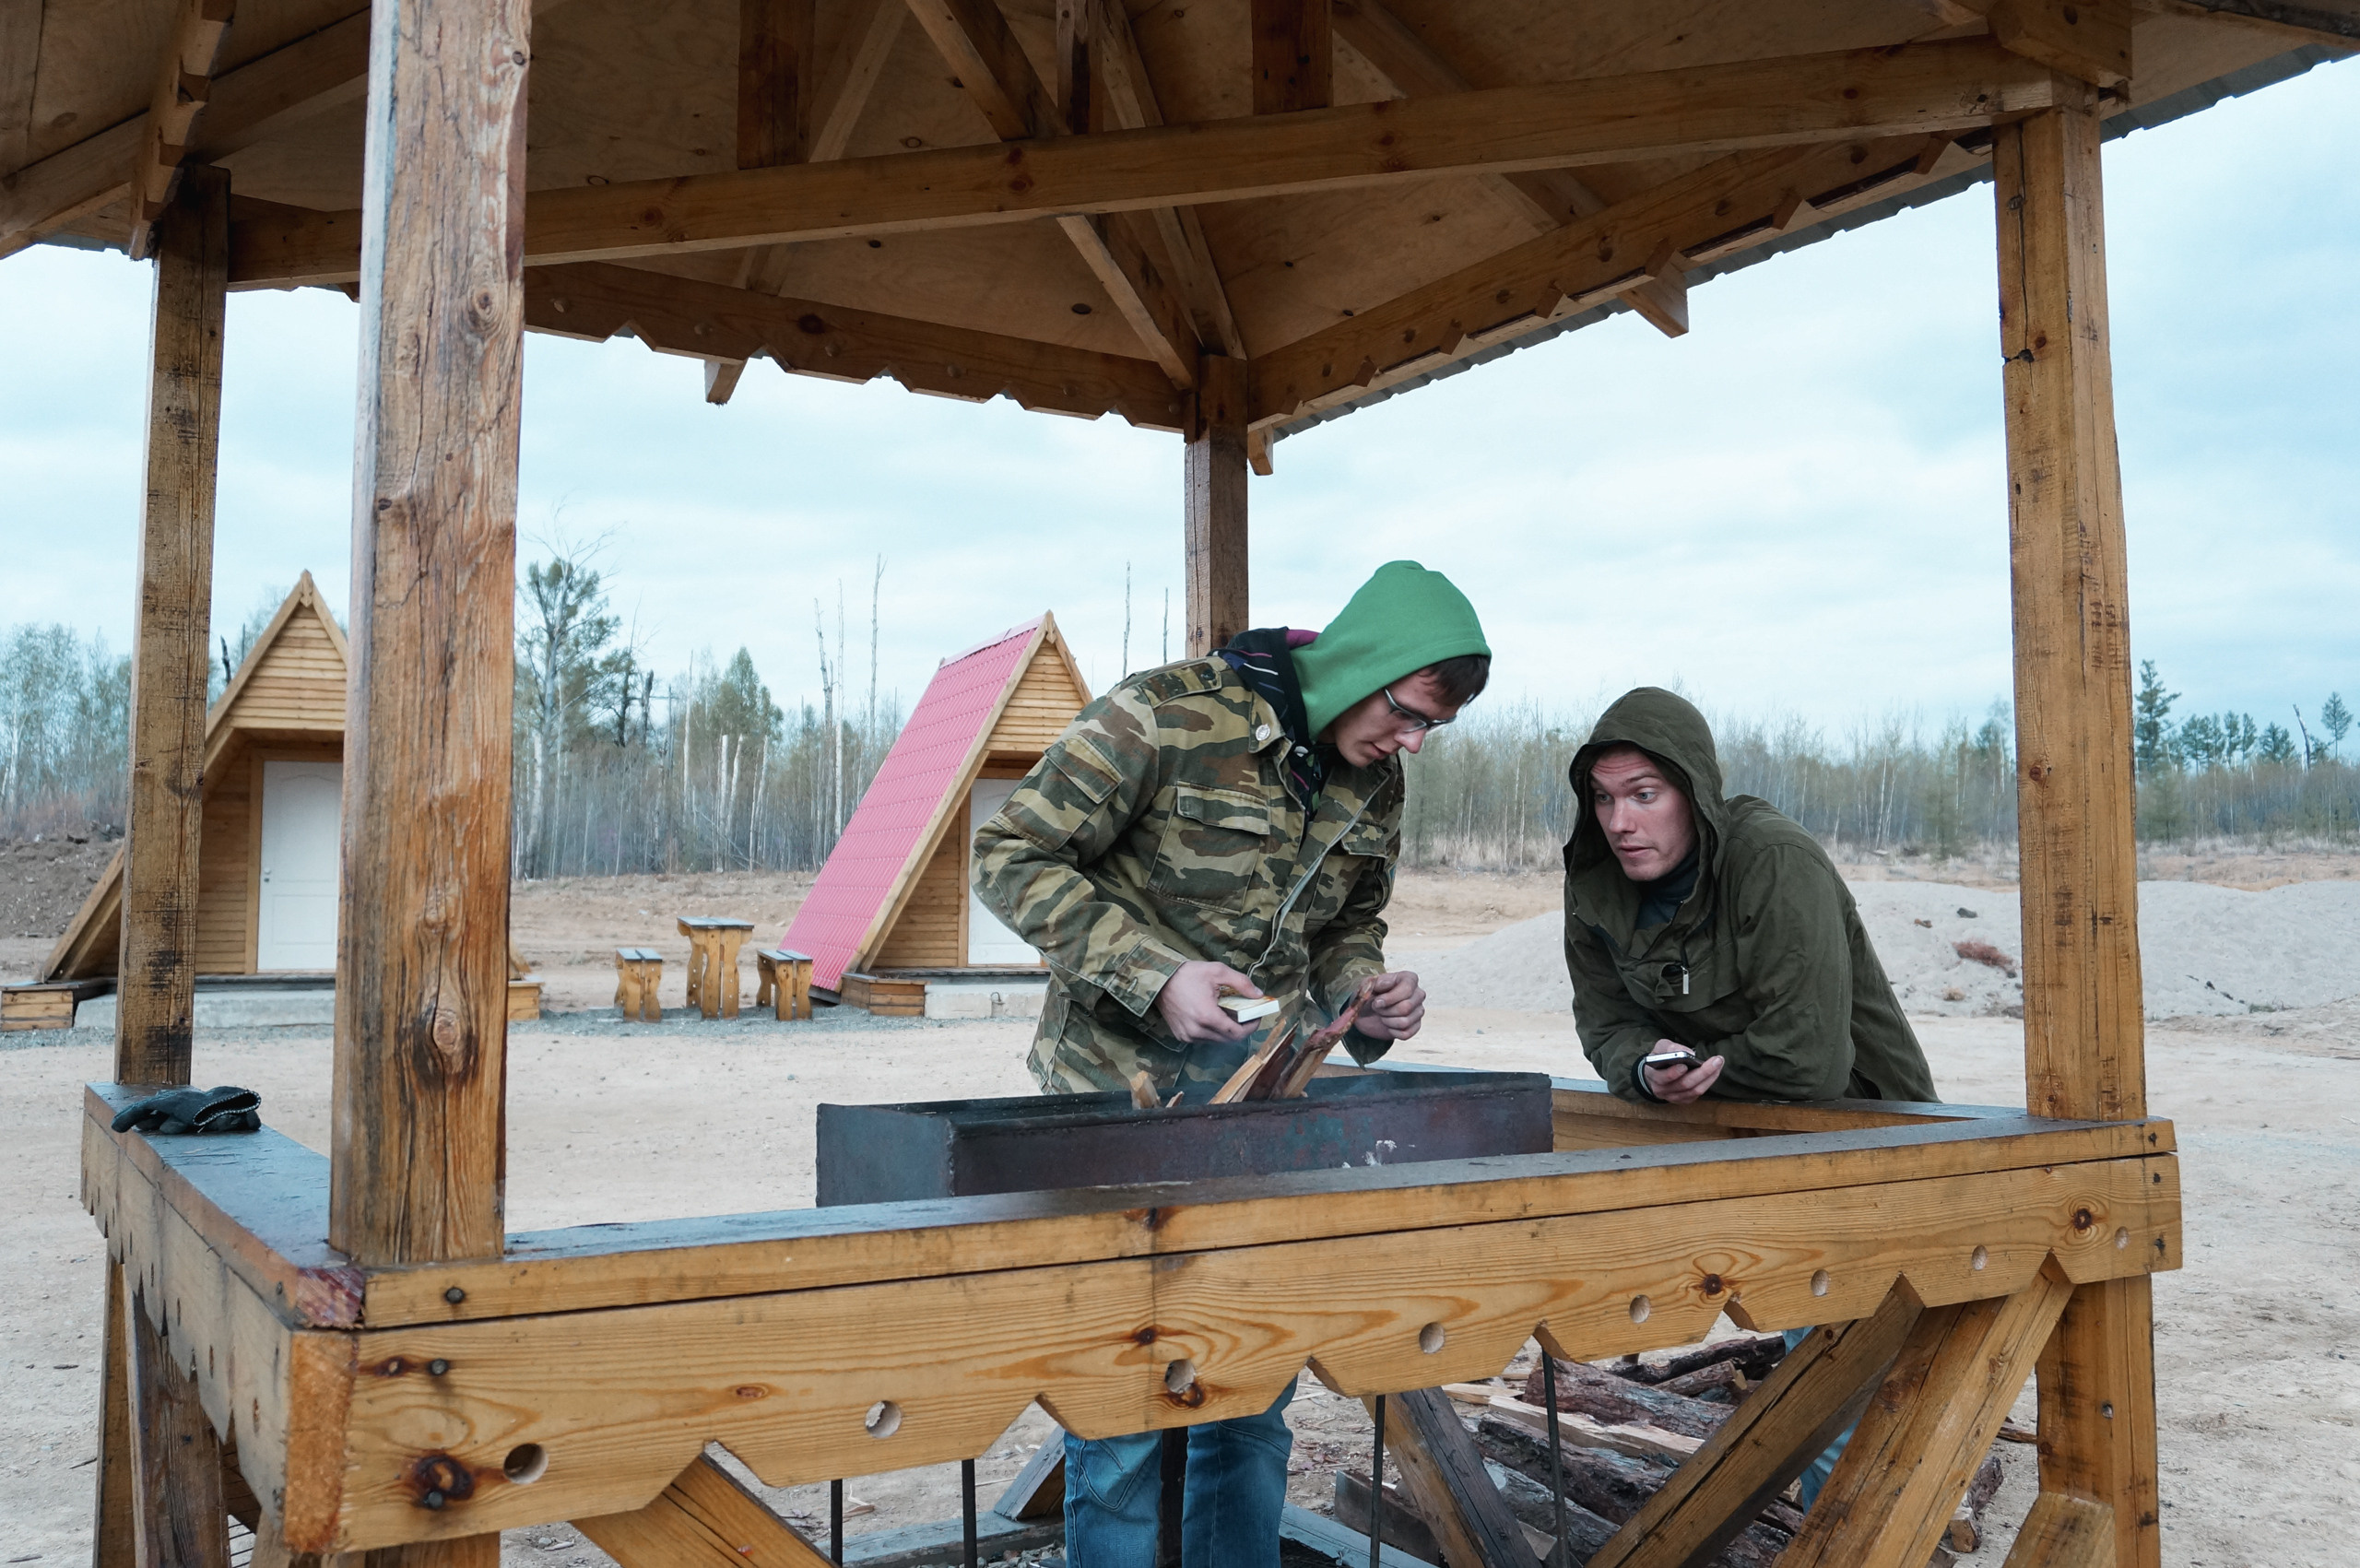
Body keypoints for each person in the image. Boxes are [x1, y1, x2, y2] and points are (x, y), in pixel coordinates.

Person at [973, 560, 1491, 1568]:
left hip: (1261, 1117)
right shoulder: (1165, 716)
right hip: (1111, 1106)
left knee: (1248, 1399)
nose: (1414, 741)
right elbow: (1012, 855)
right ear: (1364, 667)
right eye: (1409, 712)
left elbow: (1350, 923)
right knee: (1126, 1418)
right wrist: (1155, 973)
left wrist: (1366, 993)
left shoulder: (1376, 780)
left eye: (1435, 727)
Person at [1560, 687, 1937, 1506]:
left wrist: (1707, 1067)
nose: (1620, 820)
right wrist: (1643, 1065)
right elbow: (1605, 1022)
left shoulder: (1772, 857)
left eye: (1645, 795)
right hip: (1736, 1139)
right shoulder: (1596, 882)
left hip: (1866, 1134)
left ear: (1694, 793)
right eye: (1604, 798)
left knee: (1846, 1386)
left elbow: (1810, 1055)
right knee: (1808, 1373)